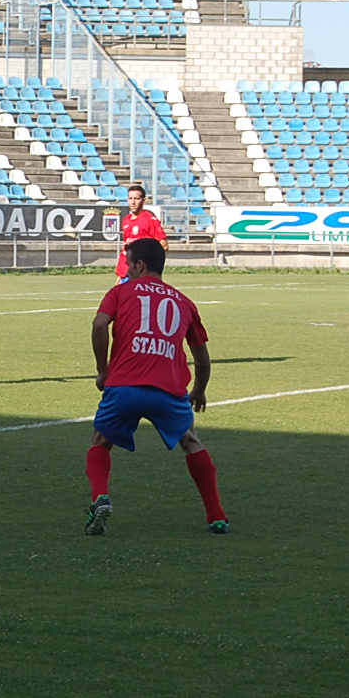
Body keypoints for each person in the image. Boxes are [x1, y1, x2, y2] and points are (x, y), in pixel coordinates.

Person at [83, 237, 228, 536]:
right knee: (191, 441)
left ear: (140, 264)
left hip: (124, 387)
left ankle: (100, 498)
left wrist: (102, 371)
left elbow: (99, 325)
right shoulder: (184, 302)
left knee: (101, 440)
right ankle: (216, 515)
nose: (126, 269)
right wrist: (199, 391)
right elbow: (202, 360)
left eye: (128, 263)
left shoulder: (120, 292)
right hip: (168, 389)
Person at [114, 184, 167, 282]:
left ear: (143, 200)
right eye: (130, 198)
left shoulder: (150, 220)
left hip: (140, 272)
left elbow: (163, 245)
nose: (133, 202)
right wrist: (121, 274)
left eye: (136, 198)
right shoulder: (126, 220)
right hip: (125, 271)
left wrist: (141, 248)